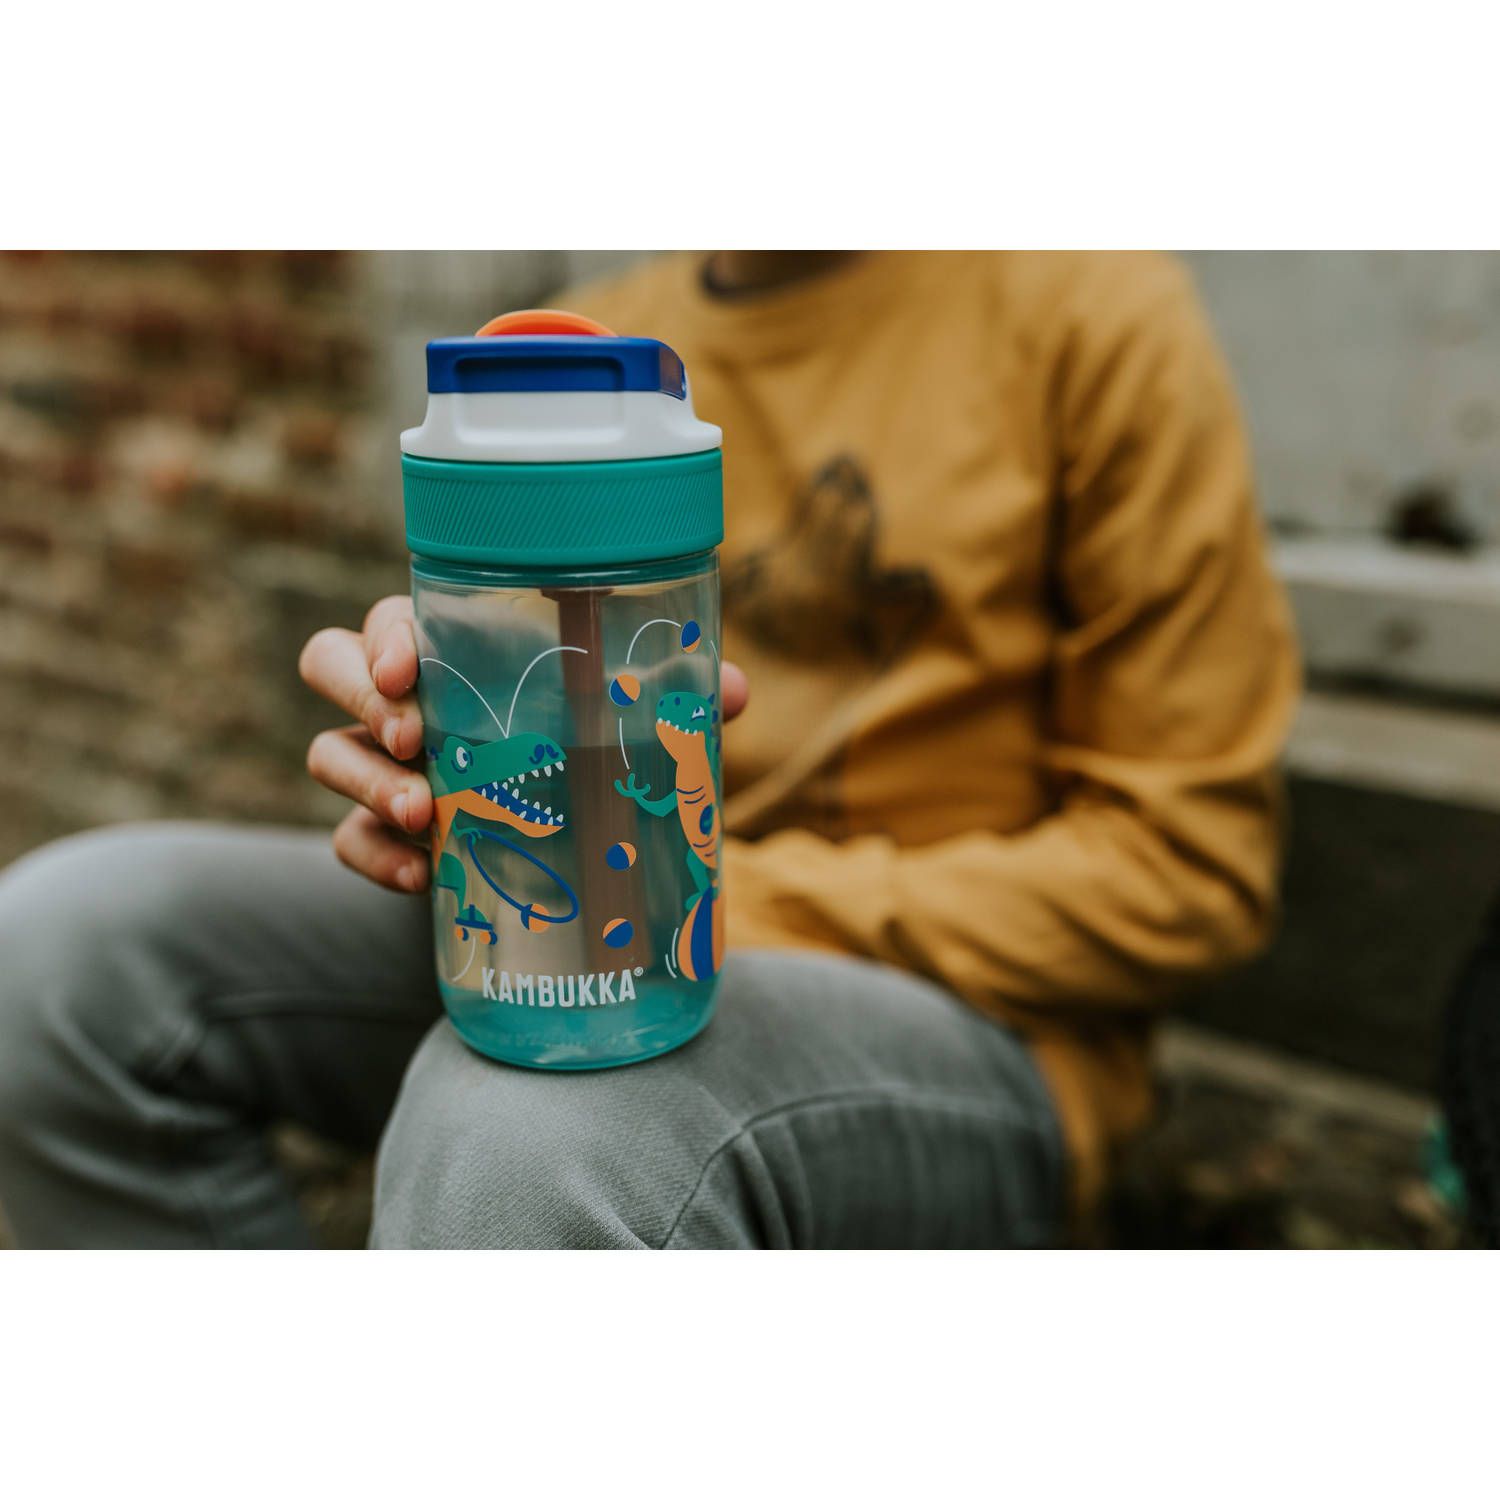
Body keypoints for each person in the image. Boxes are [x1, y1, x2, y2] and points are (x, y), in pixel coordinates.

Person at [0, 251, 1299, 1248]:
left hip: (967, 1024)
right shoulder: (589, 351)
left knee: (532, 1128)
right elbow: (529, 691)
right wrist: (439, 740)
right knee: (58, 953)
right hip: (594, 922)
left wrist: (699, 890)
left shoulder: (1087, 312)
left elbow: (1192, 872)